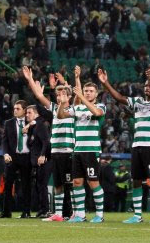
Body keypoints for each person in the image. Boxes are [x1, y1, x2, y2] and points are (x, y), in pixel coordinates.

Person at [98, 67, 150, 224]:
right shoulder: (138, 102)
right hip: (137, 146)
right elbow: (120, 98)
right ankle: (137, 215)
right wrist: (106, 83)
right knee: (136, 180)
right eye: (145, 85)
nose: (146, 88)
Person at [22, 67, 74, 222]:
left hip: (69, 151)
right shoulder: (53, 109)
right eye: (57, 95)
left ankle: (74, 213)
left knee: (70, 184)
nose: (59, 97)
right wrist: (30, 79)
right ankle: (58, 213)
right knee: (58, 184)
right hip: (56, 151)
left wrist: (65, 83)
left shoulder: (75, 109)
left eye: (63, 94)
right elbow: (38, 95)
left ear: (69, 96)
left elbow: (76, 94)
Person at [58, 65, 106, 223]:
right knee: (77, 182)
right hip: (78, 150)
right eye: (86, 91)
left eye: (91, 91)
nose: (88, 93)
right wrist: (62, 103)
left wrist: (81, 97)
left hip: (91, 151)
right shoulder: (77, 108)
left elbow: (97, 114)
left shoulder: (100, 106)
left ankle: (99, 214)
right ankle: (80, 214)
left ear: (96, 94)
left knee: (93, 182)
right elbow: (61, 115)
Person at [0, 100, 32, 218]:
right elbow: (4, 141)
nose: (15, 111)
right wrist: (5, 153)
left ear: (25, 110)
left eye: (18, 109)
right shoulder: (9, 123)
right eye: (14, 108)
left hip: (27, 156)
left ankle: (26, 211)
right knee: (7, 184)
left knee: (26, 185)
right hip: (12, 157)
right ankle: (6, 212)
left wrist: (31, 123)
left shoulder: (31, 122)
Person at [25, 104, 51, 218]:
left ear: (36, 114)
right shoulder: (33, 127)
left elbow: (46, 141)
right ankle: (42, 209)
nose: (27, 115)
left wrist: (42, 155)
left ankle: (45, 209)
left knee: (42, 185)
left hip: (44, 160)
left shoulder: (40, 125)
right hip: (37, 160)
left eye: (29, 112)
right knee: (39, 185)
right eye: (26, 113)